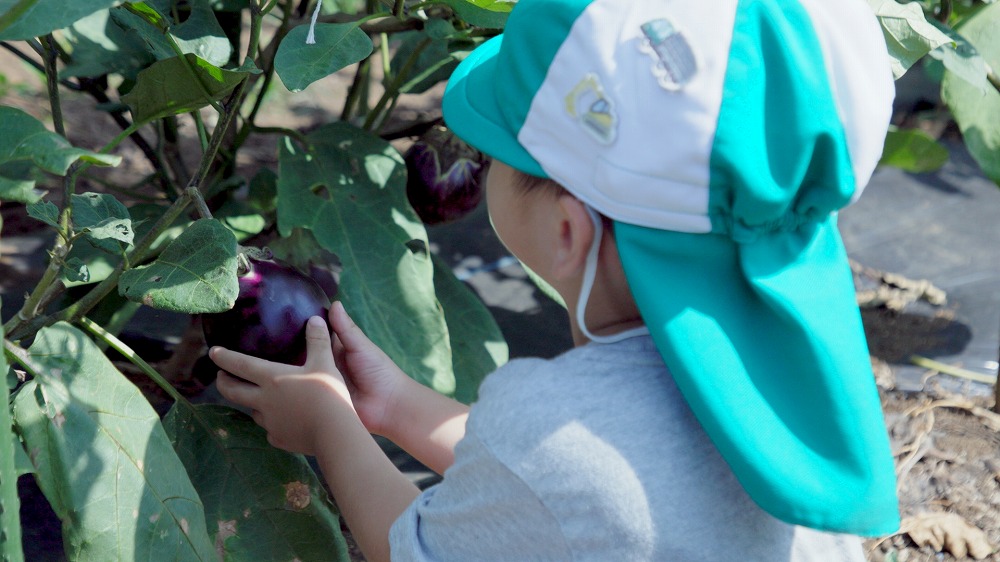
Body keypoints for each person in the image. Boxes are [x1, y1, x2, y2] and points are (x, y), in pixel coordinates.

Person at [210, 0, 902, 559]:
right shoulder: (793, 394)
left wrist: (331, 430)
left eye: (503, 154)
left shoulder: (546, 425)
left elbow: (420, 544)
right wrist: (397, 407)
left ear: (569, 231)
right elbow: (568, 493)